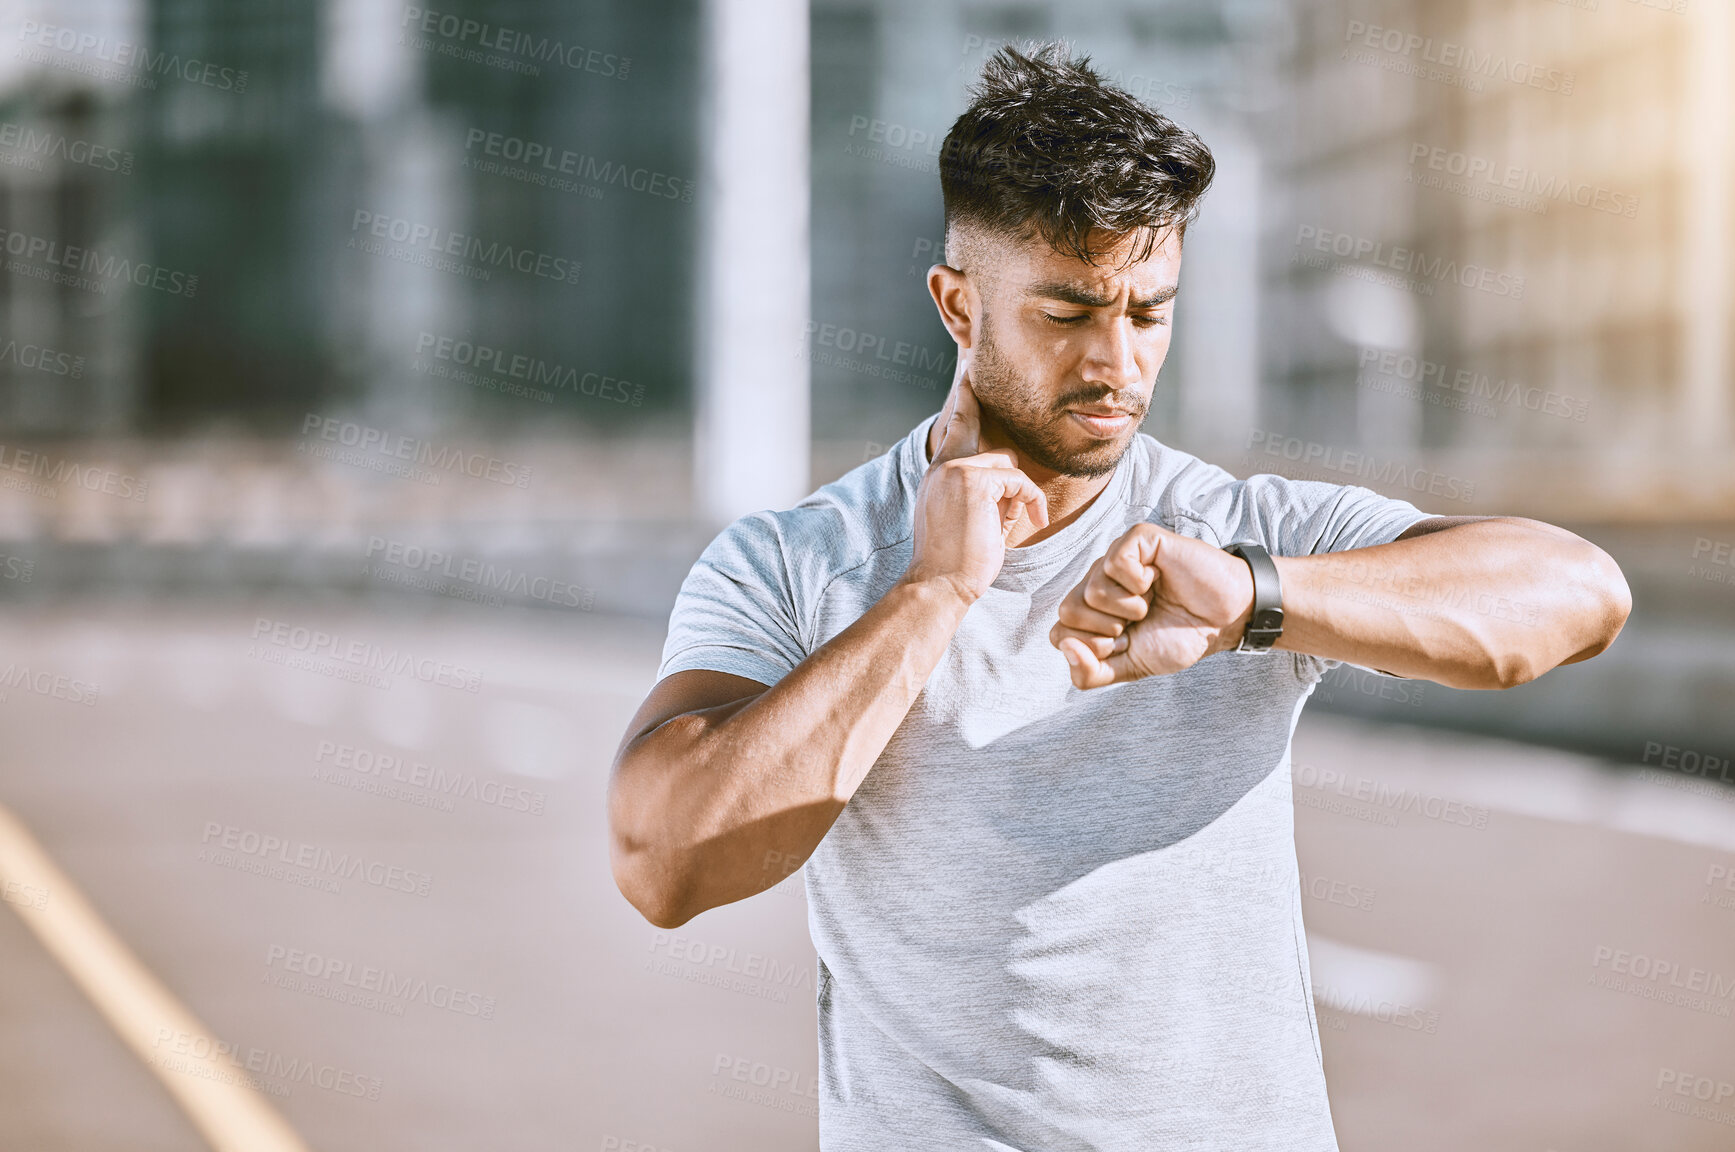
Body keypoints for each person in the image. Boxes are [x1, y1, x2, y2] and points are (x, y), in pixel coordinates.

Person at [606, 41, 1631, 1151]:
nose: (1117, 364)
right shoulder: (801, 560)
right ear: (958, 306)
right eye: (1067, 312)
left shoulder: (1232, 529)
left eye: (1147, 314)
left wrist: (1253, 599)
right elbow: (667, 862)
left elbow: (1578, 596)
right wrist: (930, 594)